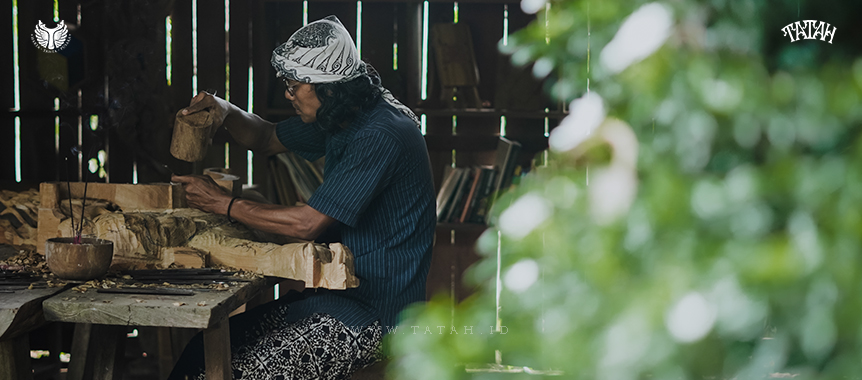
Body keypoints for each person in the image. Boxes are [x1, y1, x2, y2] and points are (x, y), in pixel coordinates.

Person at [167, 15, 436, 380]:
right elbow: (265, 138)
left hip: (377, 313)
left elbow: (306, 223)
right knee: (203, 352)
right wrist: (225, 110)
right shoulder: (343, 118)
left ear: (328, 88)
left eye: (295, 87)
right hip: (336, 298)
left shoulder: (380, 133)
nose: (288, 95)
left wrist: (222, 204)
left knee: (236, 371)